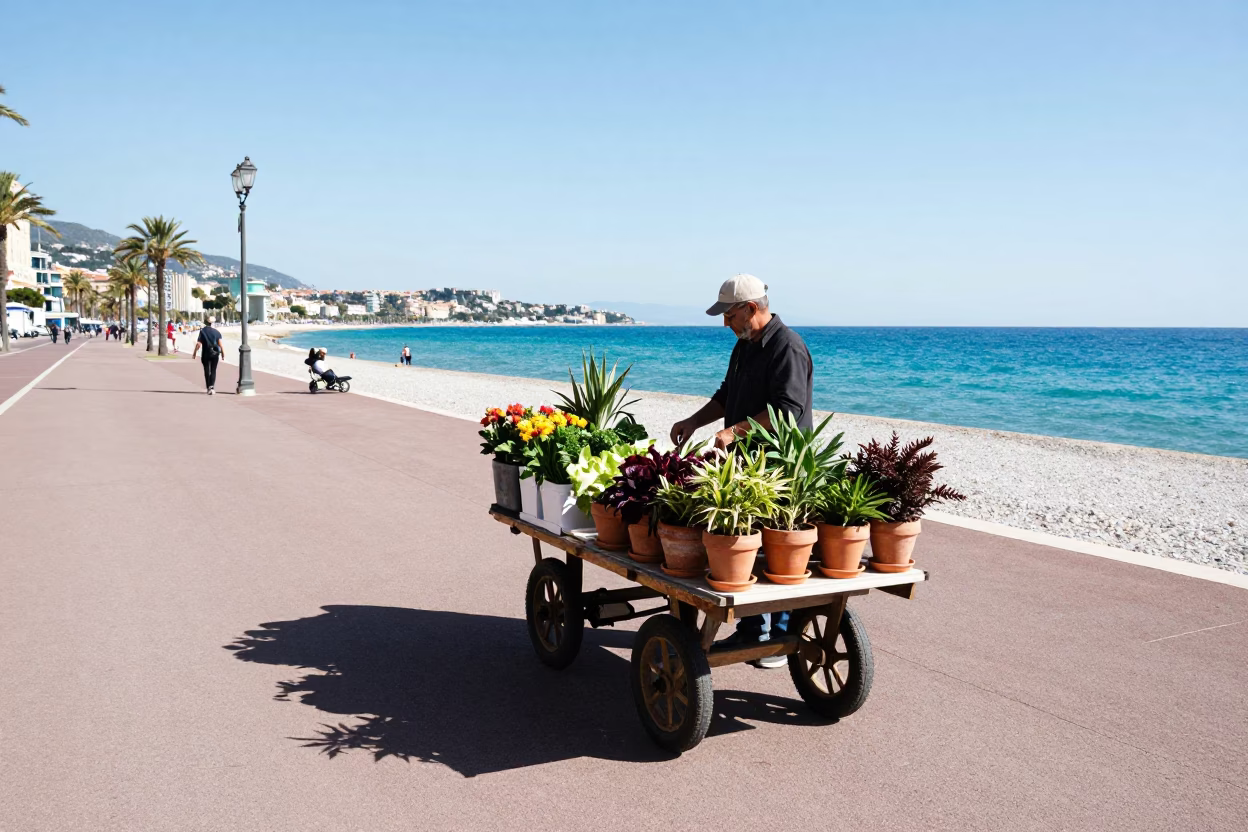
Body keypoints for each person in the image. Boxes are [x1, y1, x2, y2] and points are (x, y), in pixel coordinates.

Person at [669, 274, 813, 668]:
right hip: (745, 465)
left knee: (770, 550)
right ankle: (755, 627)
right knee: (746, 544)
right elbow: (726, 394)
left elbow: (788, 410)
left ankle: (774, 633)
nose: (725, 324)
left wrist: (736, 430)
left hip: (779, 467)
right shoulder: (745, 344)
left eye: (729, 315)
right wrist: (694, 421)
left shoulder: (788, 347)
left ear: (751, 309)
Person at [192, 316, 224, 395]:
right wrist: (223, 353)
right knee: (213, 370)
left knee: (206, 370)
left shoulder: (202, 331)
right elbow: (220, 344)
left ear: (206, 322)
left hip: (205, 354)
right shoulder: (217, 332)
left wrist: (194, 353)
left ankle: (208, 387)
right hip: (215, 354)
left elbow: (198, 344)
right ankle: (212, 387)